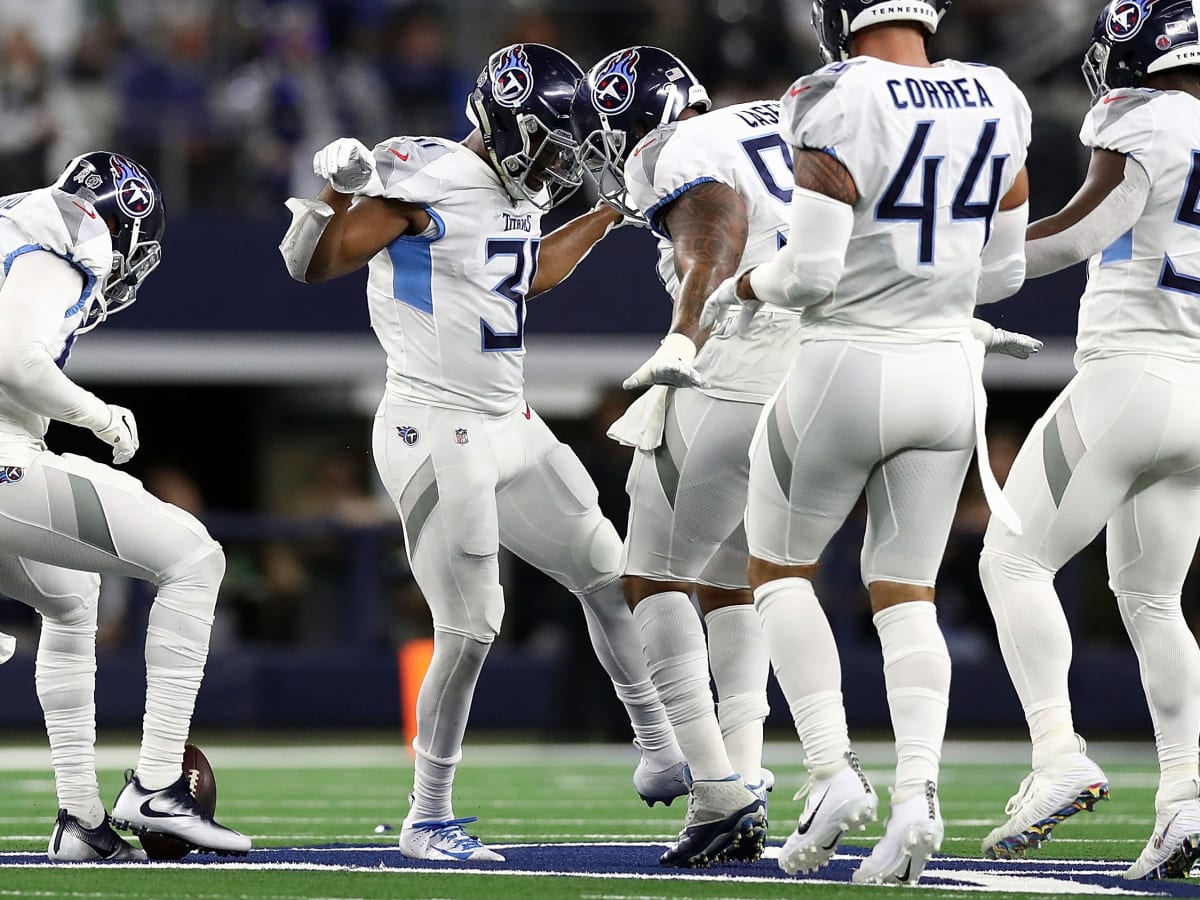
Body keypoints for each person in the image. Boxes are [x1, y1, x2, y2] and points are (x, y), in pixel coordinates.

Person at [279, 43, 683, 863]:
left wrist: (606, 214)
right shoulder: (420, 175)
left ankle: (660, 749)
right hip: (433, 425)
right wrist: (332, 192)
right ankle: (427, 815)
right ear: (506, 120)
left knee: (609, 573)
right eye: (551, 137)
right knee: (469, 627)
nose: (563, 155)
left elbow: (522, 277)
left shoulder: (515, 188)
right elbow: (309, 264)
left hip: (510, 420)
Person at [701, 0, 1033, 883]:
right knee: (908, 594)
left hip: (846, 363)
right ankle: (920, 796)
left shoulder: (832, 94)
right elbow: (1002, 270)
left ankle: (828, 772)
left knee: (775, 570)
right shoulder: (999, 95)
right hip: (947, 376)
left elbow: (809, 276)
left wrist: (743, 285)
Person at [978, 0, 1200, 880]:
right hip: (1198, 386)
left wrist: (958, 270)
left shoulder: (1146, 119)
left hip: (1131, 376)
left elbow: (1076, 233)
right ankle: (1186, 796)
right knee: (1152, 600)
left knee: (1013, 560)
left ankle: (1055, 755)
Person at [571, 46, 794, 868]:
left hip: (733, 359)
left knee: (653, 574)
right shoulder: (778, 114)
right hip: (819, 366)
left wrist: (683, 335)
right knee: (734, 574)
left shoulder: (677, 150)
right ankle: (746, 766)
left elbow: (715, 236)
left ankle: (714, 788)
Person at [0, 151, 250, 860]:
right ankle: (159, 781)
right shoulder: (68, 233)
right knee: (197, 558)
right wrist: (97, 414)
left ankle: (81, 823)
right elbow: (14, 359)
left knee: (73, 600)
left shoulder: (15, 219)